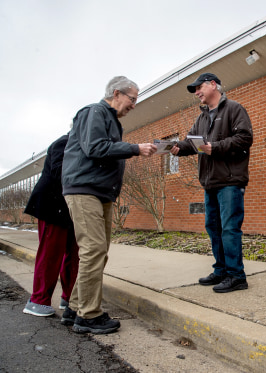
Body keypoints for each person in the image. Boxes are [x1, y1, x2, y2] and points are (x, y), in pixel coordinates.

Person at [61, 76, 157, 334]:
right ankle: (89, 316)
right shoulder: (94, 112)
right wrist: (135, 148)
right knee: (93, 250)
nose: (134, 105)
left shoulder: (110, 120)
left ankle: (76, 306)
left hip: (101, 193)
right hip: (85, 191)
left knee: (98, 252)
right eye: (133, 99)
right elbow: (95, 147)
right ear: (117, 93)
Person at [171, 73, 253, 293]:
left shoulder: (234, 109)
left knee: (229, 228)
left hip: (230, 181)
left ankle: (236, 276)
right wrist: (175, 147)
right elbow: (191, 143)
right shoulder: (202, 118)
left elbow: (245, 138)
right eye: (195, 90)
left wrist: (214, 147)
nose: (197, 93)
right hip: (210, 183)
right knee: (214, 228)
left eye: (199, 88)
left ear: (213, 85)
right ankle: (222, 270)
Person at [22, 134, 79, 317]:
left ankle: (69, 297)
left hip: (71, 207)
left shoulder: (83, 144)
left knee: (74, 254)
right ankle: (38, 300)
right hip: (52, 205)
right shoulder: (63, 143)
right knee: (50, 254)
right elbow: (59, 172)